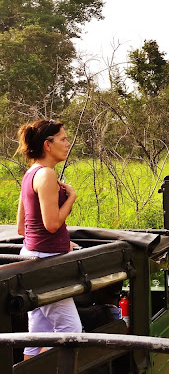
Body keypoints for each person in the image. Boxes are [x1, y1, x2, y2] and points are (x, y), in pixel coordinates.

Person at [15, 119, 82, 358]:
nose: (67, 143)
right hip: (47, 263)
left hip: (33, 256)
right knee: (71, 330)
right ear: (47, 145)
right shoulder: (46, 175)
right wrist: (71, 197)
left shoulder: (30, 173)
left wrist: (65, 242)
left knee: (38, 331)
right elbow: (52, 224)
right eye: (63, 139)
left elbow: (22, 228)